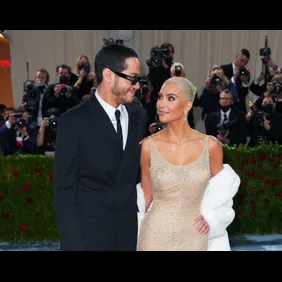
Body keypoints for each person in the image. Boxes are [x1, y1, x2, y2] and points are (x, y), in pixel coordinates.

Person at [53, 43, 148, 251]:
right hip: (88, 237)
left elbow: (137, 175)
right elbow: (64, 190)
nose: (137, 86)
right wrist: (72, 245)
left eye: (138, 79)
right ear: (108, 75)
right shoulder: (74, 121)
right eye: (132, 78)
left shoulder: (138, 116)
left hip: (128, 235)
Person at [137, 77, 239, 251]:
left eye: (170, 98)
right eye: (160, 97)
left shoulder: (211, 146)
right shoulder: (148, 146)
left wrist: (213, 218)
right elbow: (145, 198)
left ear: (187, 105)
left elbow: (223, 193)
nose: (161, 104)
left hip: (195, 235)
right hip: (154, 235)